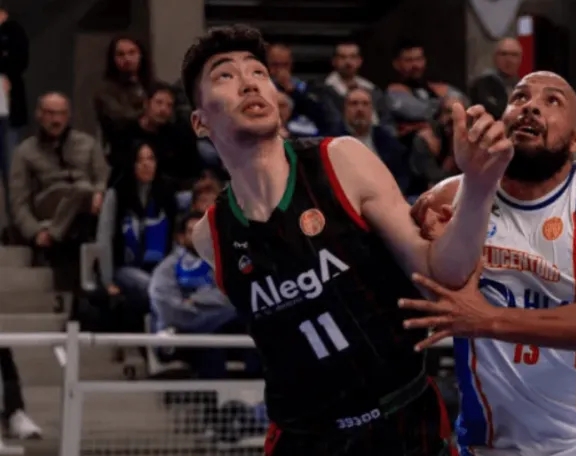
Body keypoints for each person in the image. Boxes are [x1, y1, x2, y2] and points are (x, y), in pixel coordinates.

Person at [180, 24, 513, 456]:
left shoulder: (340, 160)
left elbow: (439, 275)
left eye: (259, 72)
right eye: (225, 75)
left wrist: (479, 187)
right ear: (200, 122)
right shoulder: (210, 235)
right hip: (304, 440)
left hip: (401, 423)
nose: (248, 82)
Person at [405, 71, 576, 455]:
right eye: (520, 97)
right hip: (492, 444)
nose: (531, 107)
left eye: (552, 101)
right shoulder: (451, 197)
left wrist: (488, 320)